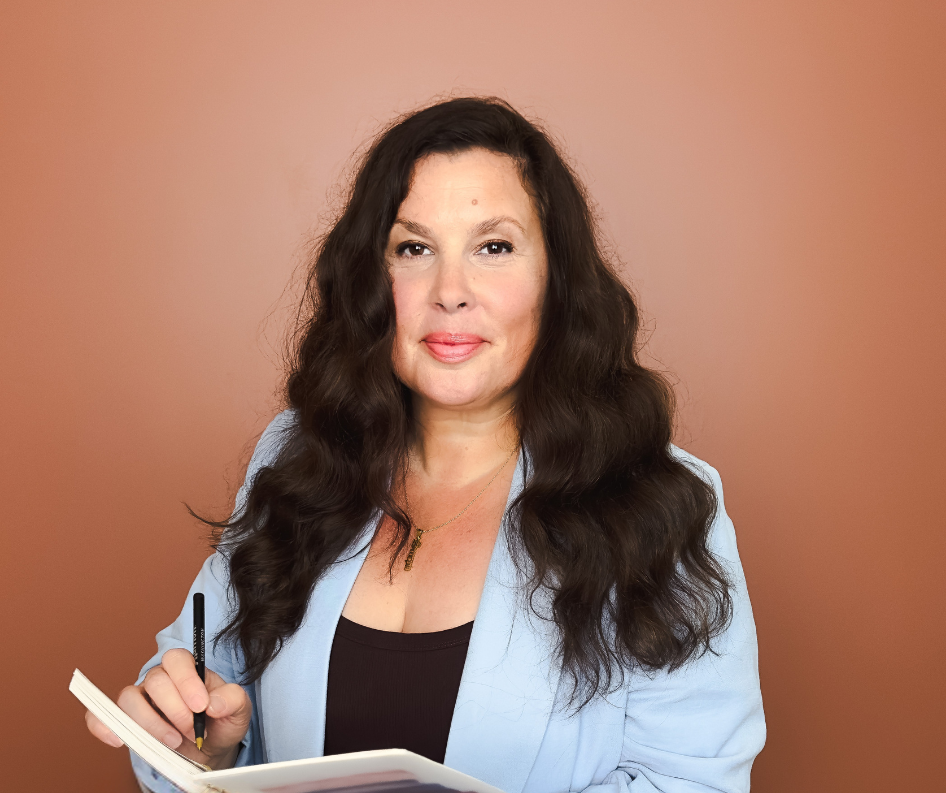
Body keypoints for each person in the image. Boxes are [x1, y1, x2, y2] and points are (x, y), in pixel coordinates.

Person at [85, 96, 765, 793]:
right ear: (373, 281)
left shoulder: (662, 505)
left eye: (493, 247)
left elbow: (693, 781)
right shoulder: (297, 459)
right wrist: (205, 746)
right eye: (414, 248)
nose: (450, 291)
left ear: (556, 280)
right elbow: (200, 685)